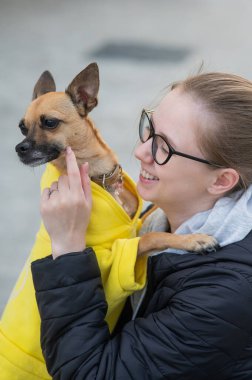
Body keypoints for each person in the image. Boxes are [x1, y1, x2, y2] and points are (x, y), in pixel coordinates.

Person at [31, 72, 252, 379]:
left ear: (221, 181)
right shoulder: (159, 218)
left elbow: (92, 374)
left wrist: (67, 252)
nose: (140, 150)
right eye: (149, 129)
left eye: (164, 147)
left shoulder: (223, 298)